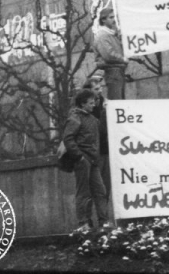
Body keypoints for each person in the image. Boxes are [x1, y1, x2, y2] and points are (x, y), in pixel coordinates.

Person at [63, 89, 109, 231]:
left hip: (93, 160)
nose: (94, 105)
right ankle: (83, 223)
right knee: (84, 192)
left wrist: (105, 113)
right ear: (82, 104)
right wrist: (79, 156)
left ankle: (103, 221)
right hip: (84, 160)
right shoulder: (76, 118)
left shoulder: (91, 118)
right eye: (90, 103)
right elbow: (68, 138)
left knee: (100, 191)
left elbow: (101, 133)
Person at [85, 76, 110, 206]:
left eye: (101, 88)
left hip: (105, 150)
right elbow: (99, 130)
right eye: (96, 89)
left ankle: (103, 218)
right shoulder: (88, 109)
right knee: (95, 189)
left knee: (106, 187)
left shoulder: (104, 103)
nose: (100, 91)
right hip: (95, 152)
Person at [93, 7, 128, 100]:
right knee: (117, 101)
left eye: (114, 17)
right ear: (103, 20)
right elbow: (108, 55)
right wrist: (123, 59)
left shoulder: (111, 34)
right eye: (111, 17)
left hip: (118, 70)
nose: (114, 20)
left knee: (120, 102)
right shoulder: (102, 35)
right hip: (113, 71)